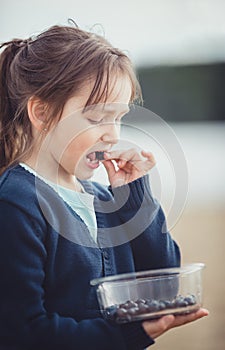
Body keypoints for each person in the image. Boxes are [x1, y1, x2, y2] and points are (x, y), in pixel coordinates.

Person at [0, 23, 208, 350]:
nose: (112, 134)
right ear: (41, 112)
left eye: (119, 117)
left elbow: (163, 286)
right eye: (97, 118)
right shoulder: (16, 203)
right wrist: (127, 336)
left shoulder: (103, 198)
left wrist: (133, 193)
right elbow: (22, 334)